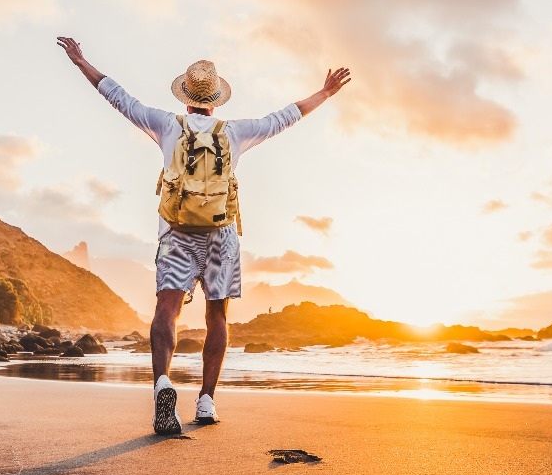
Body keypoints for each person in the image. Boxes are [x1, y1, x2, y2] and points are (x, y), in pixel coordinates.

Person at [57, 37, 351, 434]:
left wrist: (81, 61)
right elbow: (285, 117)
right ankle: (207, 401)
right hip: (221, 235)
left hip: (177, 232)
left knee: (167, 310)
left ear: (186, 97)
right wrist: (325, 92)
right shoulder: (235, 132)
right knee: (217, 315)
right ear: (215, 100)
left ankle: (163, 383)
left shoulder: (165, 125)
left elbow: (119, 97)